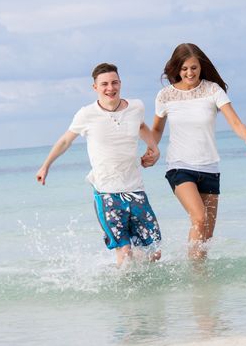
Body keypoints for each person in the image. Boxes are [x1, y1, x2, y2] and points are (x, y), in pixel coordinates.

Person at [36, 63, 162, 267]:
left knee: (153, 251)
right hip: (106, 192)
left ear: (120, 83)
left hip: (135, 188)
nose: (110, 88)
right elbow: (65, 141)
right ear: (95, 87)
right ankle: (124, 292)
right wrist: (45, 166)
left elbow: (141, 126)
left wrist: (153, 148)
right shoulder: (87, 114)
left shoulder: (136, 107)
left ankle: (145, 293)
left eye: (114, 83)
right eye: (104, 84)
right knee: (125, 251)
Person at [145, 43, 246, 261]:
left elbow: (234, 121)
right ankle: (195, 274)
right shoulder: (165, 96)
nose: (190, 73)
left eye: (194, 68)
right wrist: (152, 149)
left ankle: (201, 285)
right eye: (185, 68)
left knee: (206, 236)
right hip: (179, 167)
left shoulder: (212, 90)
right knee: (198, 218)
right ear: (177, 68)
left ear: (201, 67)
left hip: (209, 167)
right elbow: (157, 129)